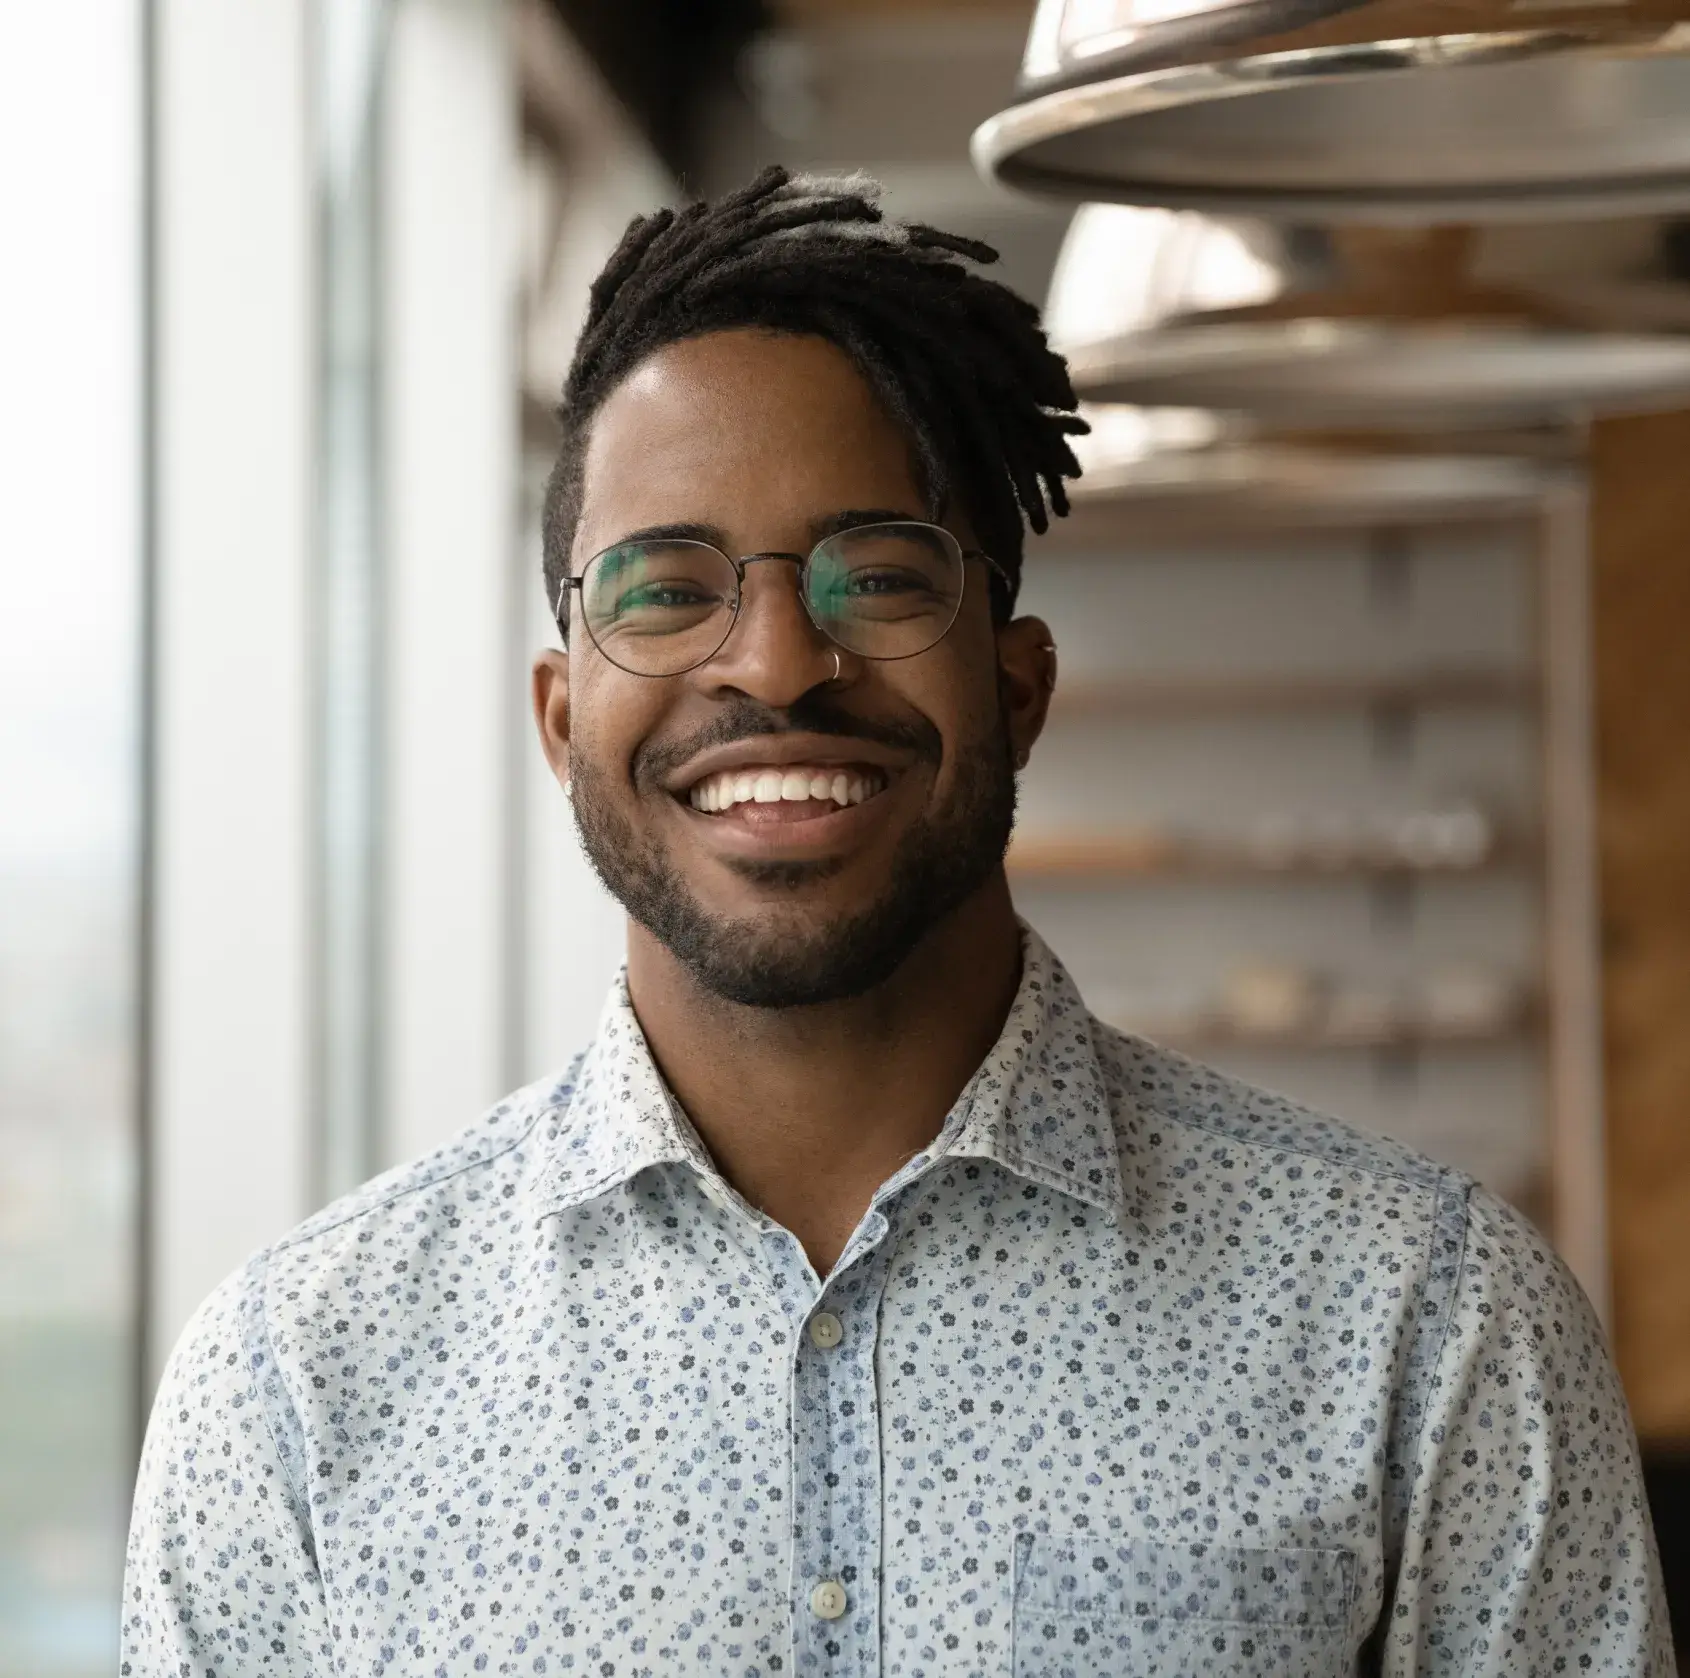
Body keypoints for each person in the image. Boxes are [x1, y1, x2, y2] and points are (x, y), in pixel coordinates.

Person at [123, 168, 1670, 1676]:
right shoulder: (297, 1380)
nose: (780, 664)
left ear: (1017, 687)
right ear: (558, 714)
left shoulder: (1423, 1318)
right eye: (665, 590)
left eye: (875, 575)